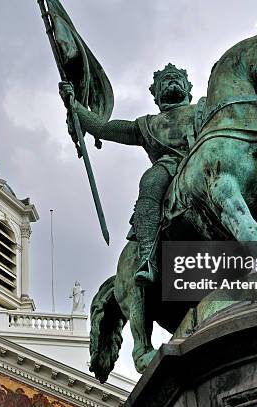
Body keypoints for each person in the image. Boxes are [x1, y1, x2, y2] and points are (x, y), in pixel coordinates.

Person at [60, 63, 198, 285]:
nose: (172, 81)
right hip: (170, 167)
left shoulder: (205, 109)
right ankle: (147, 257)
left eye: (176, 78)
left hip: (209, 159)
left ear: (188, 88)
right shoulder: (147, 125)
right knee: (150, 183)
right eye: (165, 81)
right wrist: (75, 105)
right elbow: (103, 129)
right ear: (156, 96)